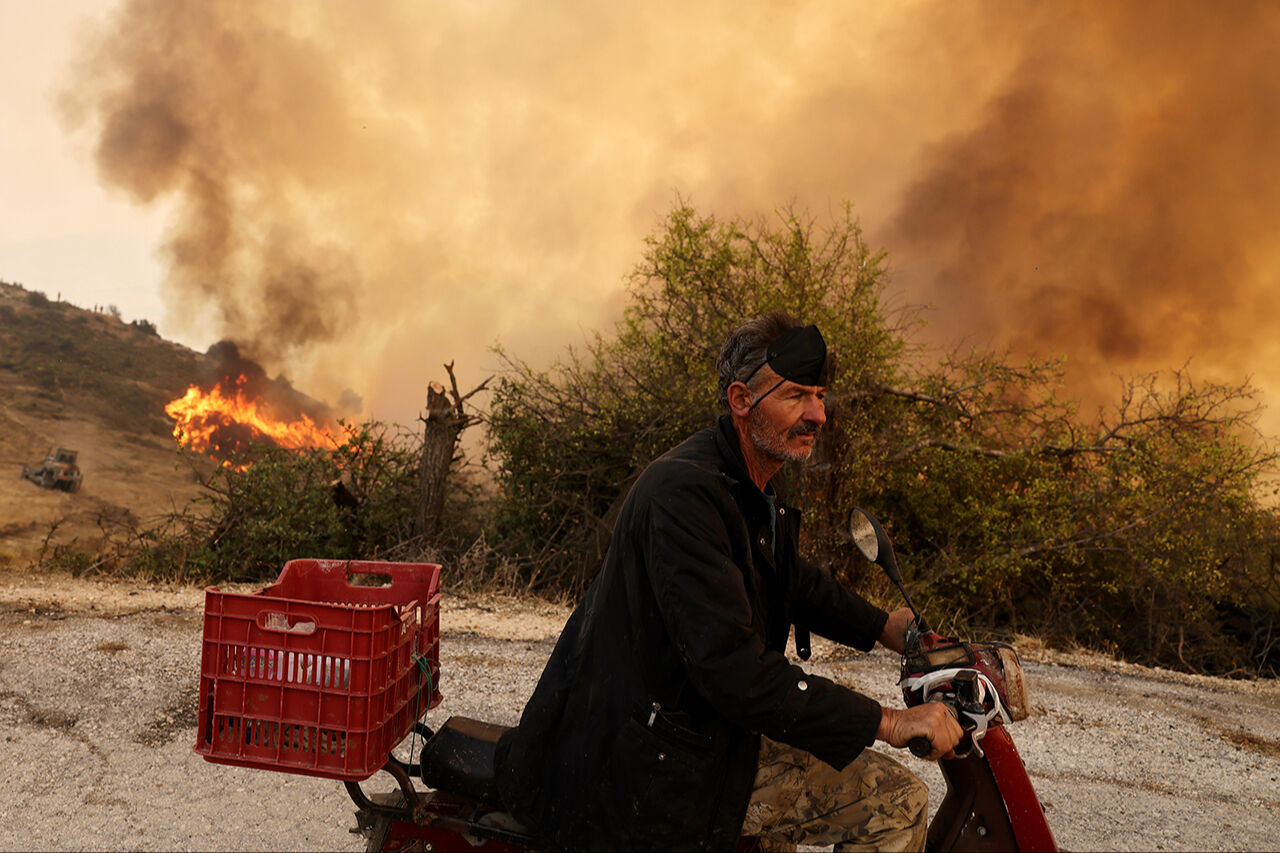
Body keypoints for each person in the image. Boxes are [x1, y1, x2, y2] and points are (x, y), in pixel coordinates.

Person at [494, 311, 962, 852]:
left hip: (692, 730)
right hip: (645, 760)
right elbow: (736, 672)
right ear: (742, 400)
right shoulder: (685, 495)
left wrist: (887, 625)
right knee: (896, 803)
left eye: (820, 395)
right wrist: (888, 721)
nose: (818, 414)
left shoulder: (748, 478)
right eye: (796, 397)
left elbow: (792, 579)